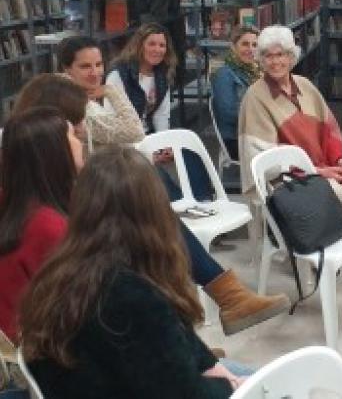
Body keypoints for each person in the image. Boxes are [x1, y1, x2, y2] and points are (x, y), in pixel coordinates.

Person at [20, 72, 290, 336]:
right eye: (74, 125)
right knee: (148, 224)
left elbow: (131, 132)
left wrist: (111, 93)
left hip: (91, 227)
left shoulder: (47, 156)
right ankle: (215, 309)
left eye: (99, 65)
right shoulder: (39, 194)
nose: (81, 129)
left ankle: (203, 322)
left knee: (150, 208)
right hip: (79, 272)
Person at [19, 146, 246, 398]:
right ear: (156, 212)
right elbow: (182, 393)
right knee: (264, 381)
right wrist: (233, 386)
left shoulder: (62, 271)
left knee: (244, 374)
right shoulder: (130, 297)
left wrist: (211, 365)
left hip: (106, 383)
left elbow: (175, 345)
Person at [238, 25, 342, 220]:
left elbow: (329, 129)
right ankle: (332, 238)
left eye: (280, 54)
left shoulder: (305, 85)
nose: (275, 62)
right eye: (268, 56)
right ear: (261, 59)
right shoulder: (255, 97)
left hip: (321, 168)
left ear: (291, 56)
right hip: (286, 180)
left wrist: (339, 160)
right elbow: (263, 162)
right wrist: (317, 172)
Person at [104, 23, 214, 200]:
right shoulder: (118, 75)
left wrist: (164, 145)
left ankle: (204, 202)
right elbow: (113, 125)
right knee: (154, 174)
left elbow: (161, 116)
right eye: (151, 44)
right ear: (139, 45)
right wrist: (149, 153)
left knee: (189, 151)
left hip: (148, 136)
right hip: (125, 144)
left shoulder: (161, 74)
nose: (157, 49)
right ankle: (175, 207)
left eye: (162, 45)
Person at [0, 107, 82, 343]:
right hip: (34, 347)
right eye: (72, 135)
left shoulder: (19, 205)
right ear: (54, 152)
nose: (80, 139)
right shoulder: (48, 226)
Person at [211, 25, 260, 160]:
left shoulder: (256, 72)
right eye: (245, 44)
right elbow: (229, 114)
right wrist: (262, 118)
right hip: (236, 139)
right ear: (233, 47)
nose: (251, 49)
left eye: (254, 45)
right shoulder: (224, 74)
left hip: (256, 134)